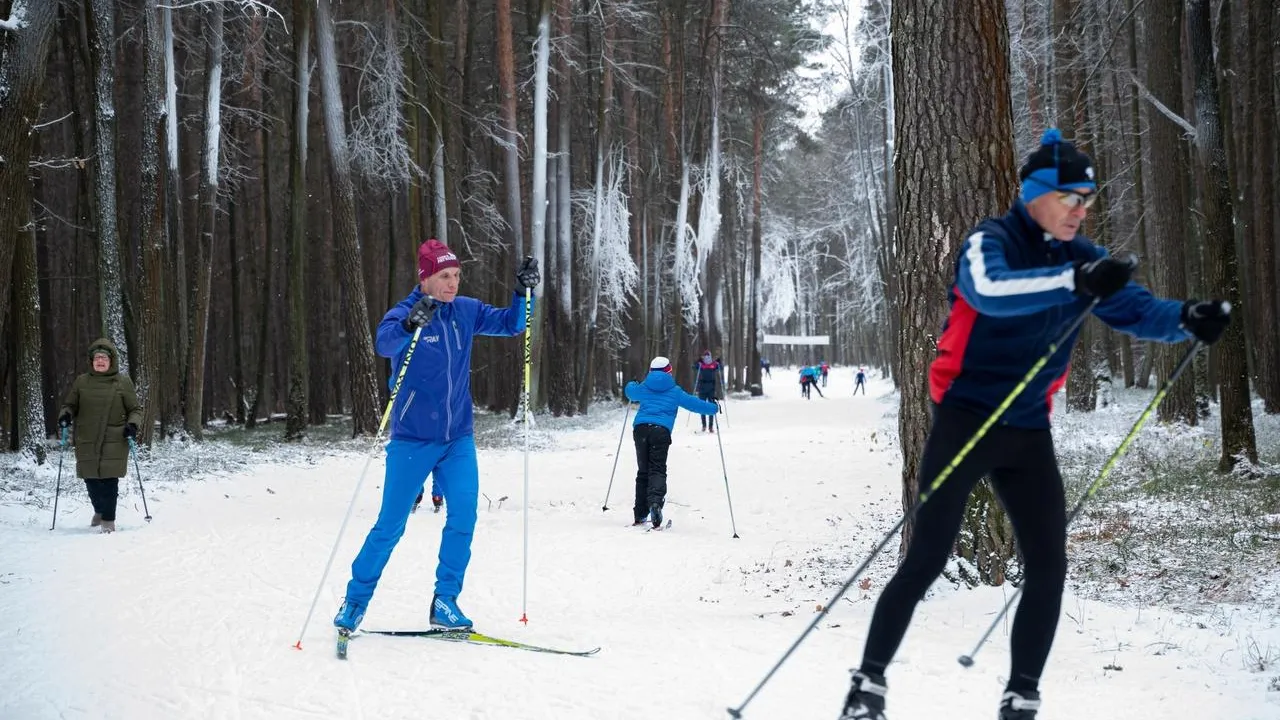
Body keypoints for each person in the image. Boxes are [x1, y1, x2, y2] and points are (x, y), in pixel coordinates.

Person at [838, 129, 1230, 720]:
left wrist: (1187, 318)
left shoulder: (1082, 256)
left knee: (1048, 565)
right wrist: (1076, 282)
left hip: (1027, 432)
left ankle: (1021, 697)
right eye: (1070, 196)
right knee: (926, 559)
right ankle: (866, 685)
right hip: (965, 420)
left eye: (1088, 199)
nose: (1080, 209)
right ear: (1035, 194)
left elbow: (1135, 308)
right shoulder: (989, 242)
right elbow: (991, 293)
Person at [333, 239, 540, 634]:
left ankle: (445, 601)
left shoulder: (465, 310)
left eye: (457, 275)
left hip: (457, 439)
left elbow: (511, 324)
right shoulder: (403, 313)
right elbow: (384, 344)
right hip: (412, 440)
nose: (453, 283)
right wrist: (410, 323)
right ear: (425, 278)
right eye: (445, 276)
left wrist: (522, 293)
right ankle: (355, 601)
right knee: (390, 526)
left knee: (463, 516)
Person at [57, 339, 143, 534]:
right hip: (87, 437)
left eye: (104, 358)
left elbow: (135, 409)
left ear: (111, 361)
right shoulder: (82, 382)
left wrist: (132, 425)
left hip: (115, 438)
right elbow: (70, 405)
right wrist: (66, 415)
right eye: (97, 358)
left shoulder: (122, 382)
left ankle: (108, 520)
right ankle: (99, 509)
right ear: (91, 361)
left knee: (110, 481)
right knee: (91, 479)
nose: (100, 361)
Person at [624, 357, 719, 528]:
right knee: (657, 469)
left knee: (643, 471)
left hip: (640, 430)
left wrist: (632, 383)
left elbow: (630, 392)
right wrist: (713, 408)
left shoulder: (644, 387)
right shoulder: (675, 391)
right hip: (660, 432)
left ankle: (640, 514)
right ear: (669, 371)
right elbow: (694, 404)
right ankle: (655, 503)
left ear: (651, 371)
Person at [692, 350, 722, 432]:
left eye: (708, 356)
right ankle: (704, 425)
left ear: (710, 356)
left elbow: (720, 368)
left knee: (711, 407)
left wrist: (719, 363)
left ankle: (710, 426)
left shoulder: (714, 364)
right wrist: (697, 361)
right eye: (705, 356)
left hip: (711, 389)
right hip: (702, 389)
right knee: (702, 407)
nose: (707, 358)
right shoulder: (701, 365)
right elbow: (694, 367)